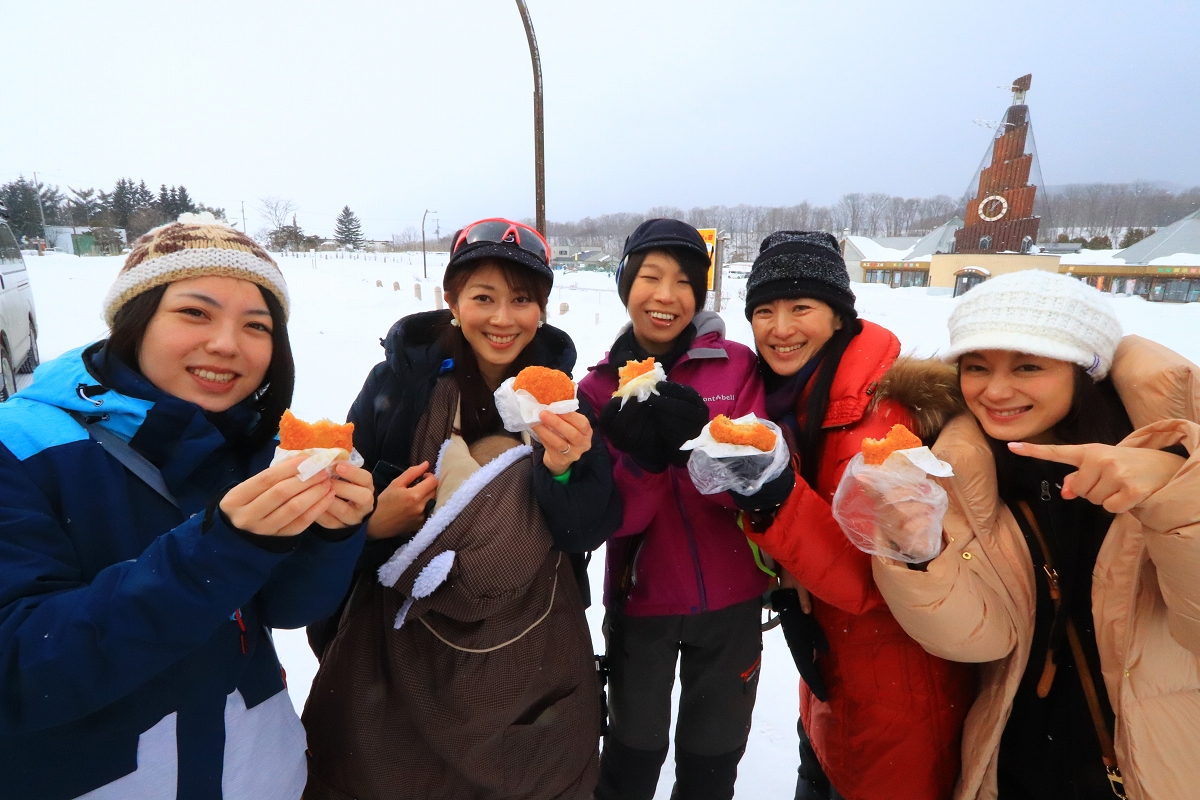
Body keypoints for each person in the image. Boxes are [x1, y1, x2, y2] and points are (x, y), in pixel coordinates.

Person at [0, 216, 372, 800]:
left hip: (263, 775)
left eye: (257, 325)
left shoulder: (251, 444)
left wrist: (333, 533)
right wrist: (223, 549)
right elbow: (19, 671)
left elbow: (288, 607)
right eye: (195, 313)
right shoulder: (18, 446)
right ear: (135, 320)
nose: (227, 344)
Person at [302, 218, 620, 800]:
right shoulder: (399, 388)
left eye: (522, 300)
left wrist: (563, 470)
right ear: (451, 300)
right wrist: (376, 524)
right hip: (403, 643)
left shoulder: (562, 397)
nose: (503, 319)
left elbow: (588, 530)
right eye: (483, 297)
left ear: (542, 309)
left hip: (532, 645)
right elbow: (340, 500)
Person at [857, 270, 1200, 799]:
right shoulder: (965, 471)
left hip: (1160, 763)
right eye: (976, 367)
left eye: (1028, 366)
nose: (995, 391)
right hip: (1020, 760)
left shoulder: (1176, 461)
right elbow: (979, 637)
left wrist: (1176, 492)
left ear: (1086, 372)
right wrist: (917, 550)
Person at [738, 231, 977, 800]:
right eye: (764, 311)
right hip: (841, 683)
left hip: (897, 698)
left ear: (840, 316)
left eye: (802, 308)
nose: (780, 328)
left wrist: (774, 497)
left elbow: (875, 577)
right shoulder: (800, 401)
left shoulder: (880, 419)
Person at [579, 218, 788, 800]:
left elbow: (752, 484)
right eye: (650, 276)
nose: (666, 295)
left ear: (699, 294)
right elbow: (610, 519)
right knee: (631, 758)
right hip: (641, 602)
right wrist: (645, 461)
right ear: (627, 285)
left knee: (712, 761)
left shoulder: (736, 366)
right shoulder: (597, 390)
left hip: (733, 601)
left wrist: (703, 447)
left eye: (684, 282)